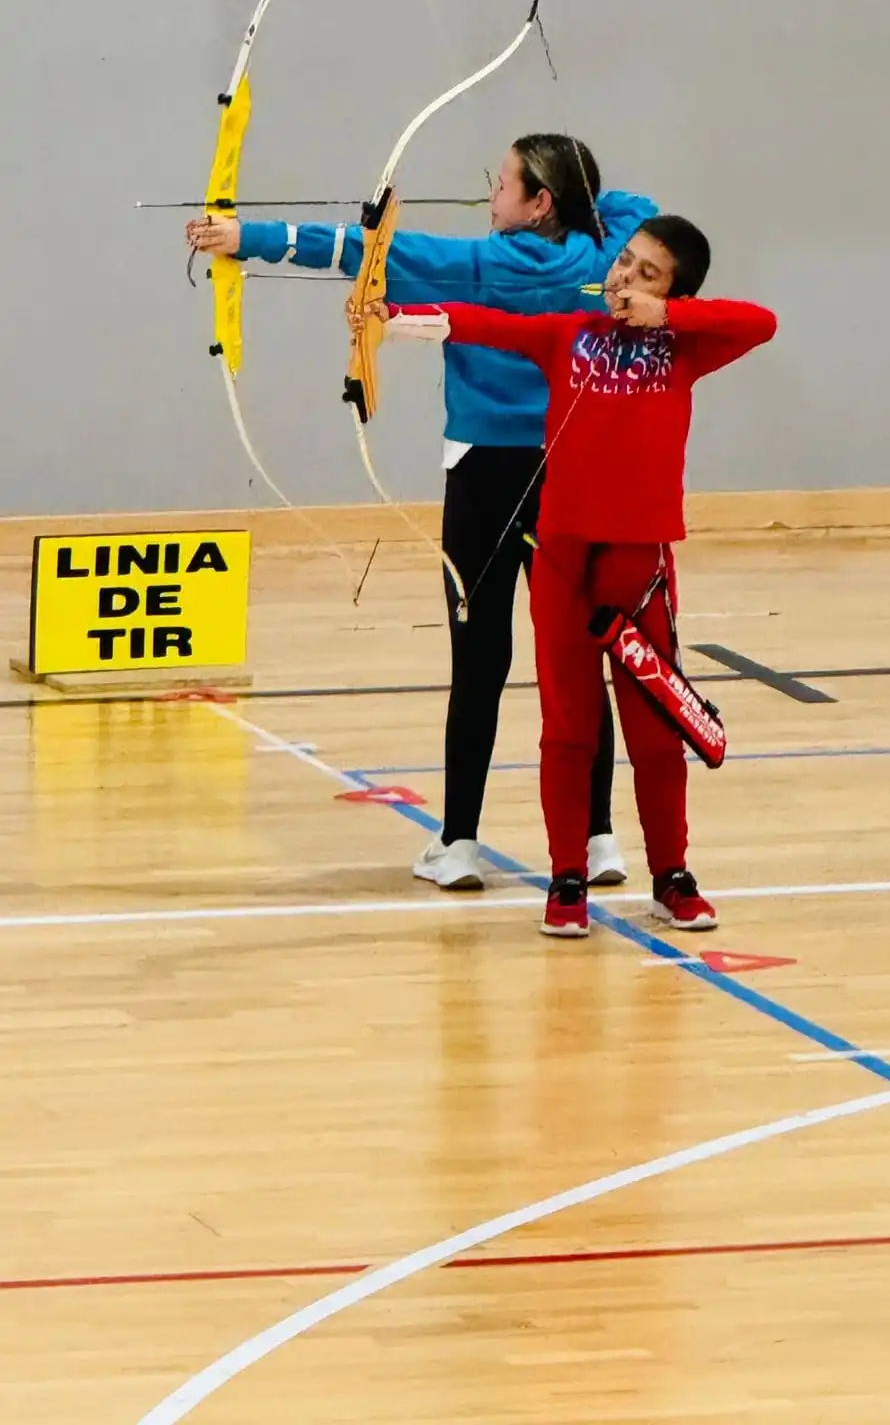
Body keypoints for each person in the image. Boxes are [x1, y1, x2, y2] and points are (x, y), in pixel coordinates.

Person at [186, 136, 657, 891]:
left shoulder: (477, 265)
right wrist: (581, 212)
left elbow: (352, 249)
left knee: (479, 664)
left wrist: (244, 239)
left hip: (483, 477)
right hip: (569, 474)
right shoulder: (603, 263)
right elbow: (641, 211)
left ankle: (460, 844)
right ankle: (601, 839)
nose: (488, 193)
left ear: (538, 202)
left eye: (503, 183)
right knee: (575, 659)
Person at [372, 217, 778, 938]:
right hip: (563, 554)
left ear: (674, 291)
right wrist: (392, 318)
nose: (624, 277)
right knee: (568, 727)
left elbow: (761, 322)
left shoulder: (684, 346)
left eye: (647, 273)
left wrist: (666, 314)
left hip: (639, 561)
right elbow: (481, 324)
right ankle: (567, 878)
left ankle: (671, 876)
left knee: (655, 728)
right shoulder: (569, 332)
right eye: (625, 262)